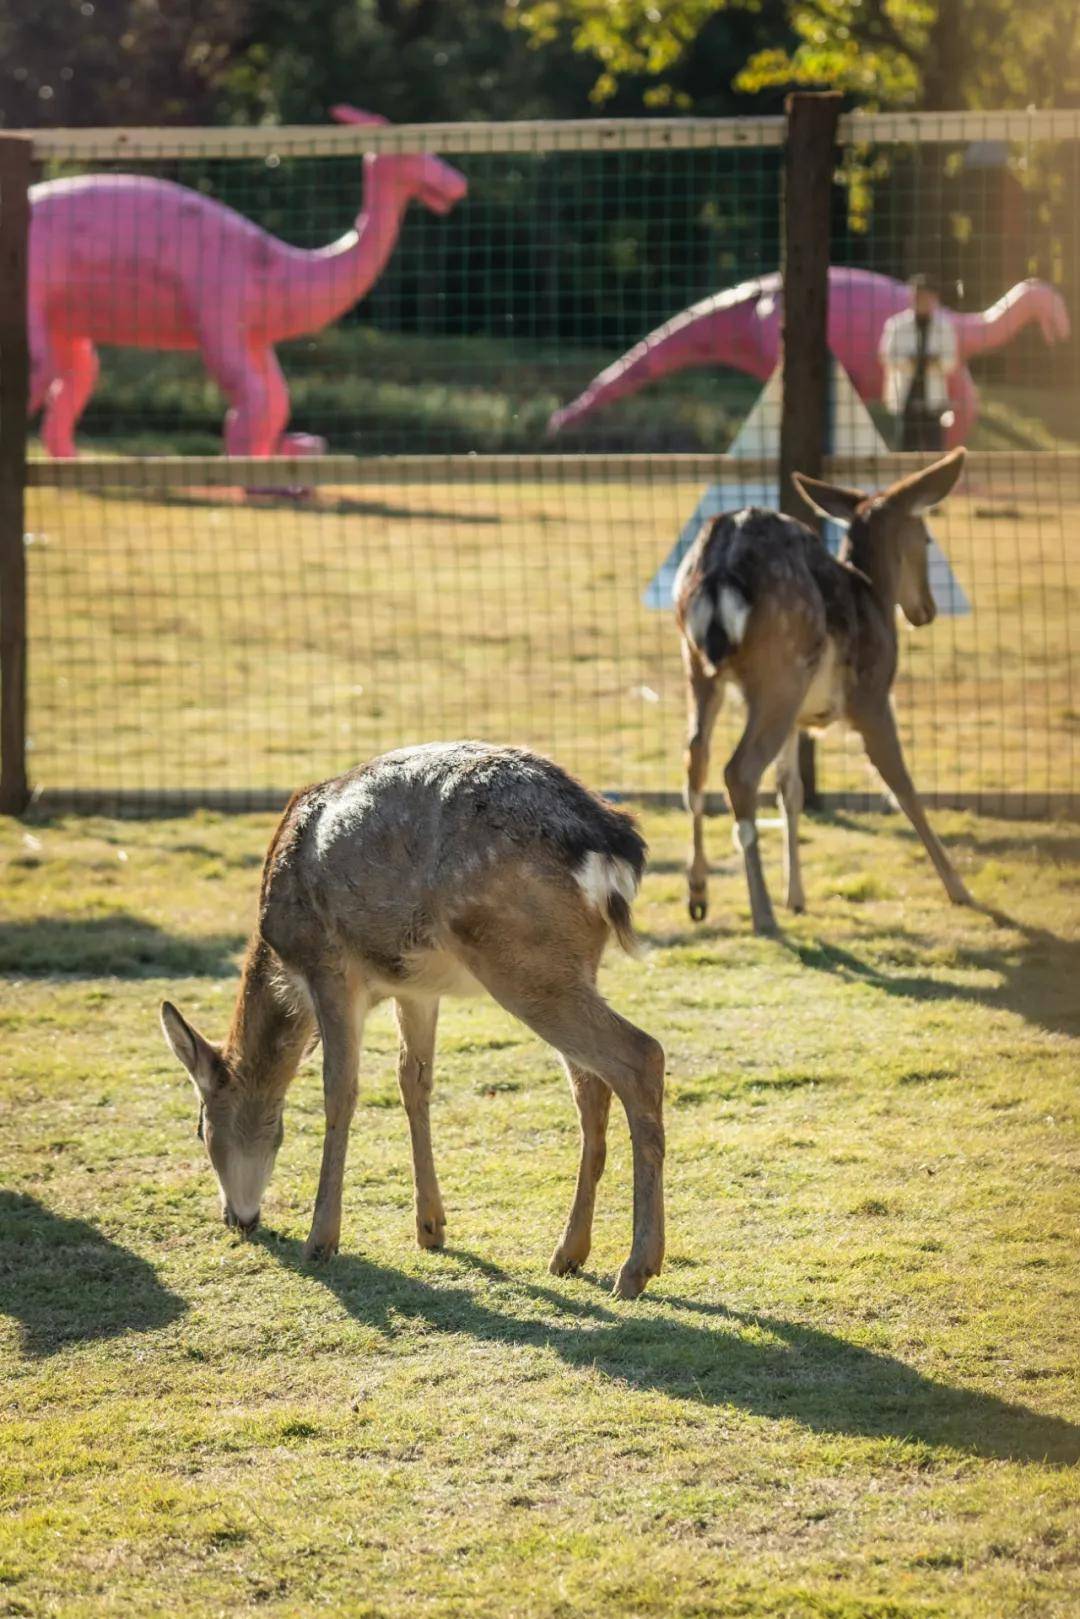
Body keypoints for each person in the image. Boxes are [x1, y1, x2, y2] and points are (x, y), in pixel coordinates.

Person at [879, 274, 959, 450]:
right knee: (905, 448)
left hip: (933, 399)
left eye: (924, 295)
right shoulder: (896, 325)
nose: (919, 300)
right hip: (906, 396)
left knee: (934, 448)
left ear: (933, 298)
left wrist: (934, 362)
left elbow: (951, 361)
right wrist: (909, 361)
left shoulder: (945, 326)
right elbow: (886, 356)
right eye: (916, 295)